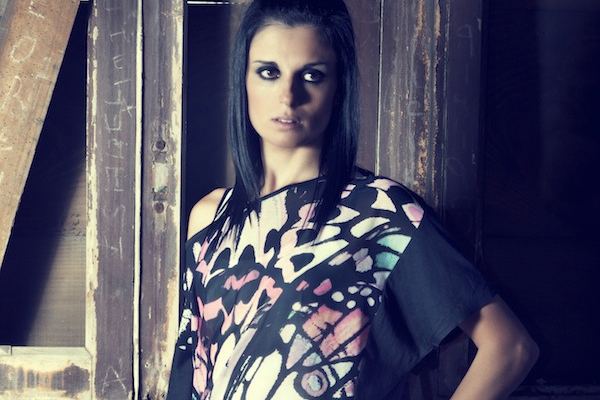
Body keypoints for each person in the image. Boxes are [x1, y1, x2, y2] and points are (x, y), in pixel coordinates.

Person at [167, 0, 539, 399]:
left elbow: (511, 348)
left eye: (312, 75)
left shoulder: (380, 214)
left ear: (337, 88)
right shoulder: (211, 217)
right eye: (269, 72)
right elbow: (193, 367)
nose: (288, 96)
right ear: (243, 79)